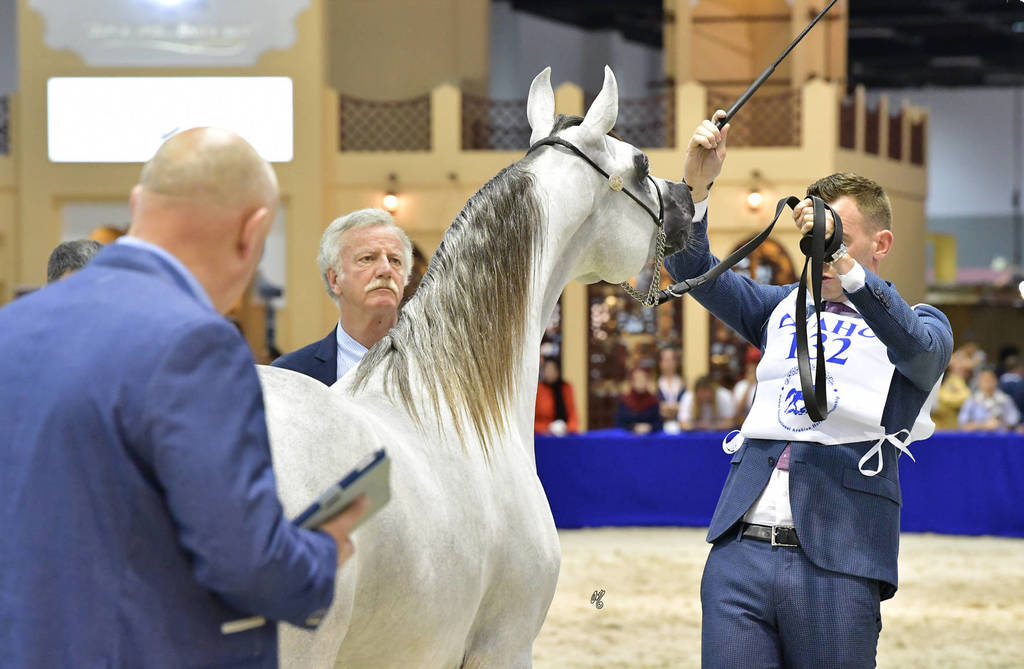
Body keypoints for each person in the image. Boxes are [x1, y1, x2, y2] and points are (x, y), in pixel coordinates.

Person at [0, 128, 368, 668]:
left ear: (136, 205)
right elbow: (246, 562)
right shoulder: (196, 342)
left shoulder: (13, 328)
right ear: (253, 232)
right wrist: (322, 552)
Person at [665, 111, 953, 669]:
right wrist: (696, 186)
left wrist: (842, 262)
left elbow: (917, 351)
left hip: (842, 558)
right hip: (738, 553)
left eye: (837, 236)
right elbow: (693, 266)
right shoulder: (779, 309)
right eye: (815, 237)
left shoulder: (923, 320)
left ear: (881, 242)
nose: (819, 249)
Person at [273, 208, 411, 385]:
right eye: (368, 258)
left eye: (395, 261)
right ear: (335, 279)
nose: (386, 270)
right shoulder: (290, 374)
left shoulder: (437, 370)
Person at [958, 366, 1020, 431]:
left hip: (1001, 438)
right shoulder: (972, 401)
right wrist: (984, 425)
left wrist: (999, 424)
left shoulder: (1005, 399)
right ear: (979, 382)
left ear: (996, 381)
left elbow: (1014, 422)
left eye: (991, 379)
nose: (988, 383)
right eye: (985, 380)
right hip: (977, 439)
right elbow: (963, 425)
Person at [932, 347, 974, 430]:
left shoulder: (958, 380)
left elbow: (965, 397)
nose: (959, 365)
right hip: (936, 425)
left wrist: (940, 397)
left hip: (951, 427)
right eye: (957, 361)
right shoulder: (945, 378)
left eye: (962, 361)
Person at [534, 357, 579, 435]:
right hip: (542, 435)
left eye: (552, 370)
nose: (549, 373)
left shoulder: (566, 388)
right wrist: (548, 428)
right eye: (547, 370)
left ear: (558, 371)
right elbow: (532, 421)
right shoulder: (538, 389)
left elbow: (573, 415)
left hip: (564, 434)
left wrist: (566, 428)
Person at [614, 366, 663, 434]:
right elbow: (619, 423)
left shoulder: (653, 401)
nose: (640, 382)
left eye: (643, 379)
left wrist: (649, 427)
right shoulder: (624, 401)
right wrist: (633, 427)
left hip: (649, 441)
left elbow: (659, 424)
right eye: (637, 379)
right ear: (632, 382)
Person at [656, 347, 687, 423]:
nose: (668, 363)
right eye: (665, 360)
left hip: (680, 422)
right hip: (660, 423)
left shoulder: (683, 383)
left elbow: (687, 404)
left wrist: (675, 408)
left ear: (676, 362)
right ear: (660, 363)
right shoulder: (654, 384)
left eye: (671, 359)